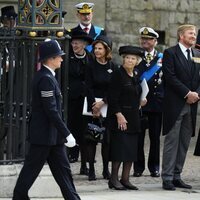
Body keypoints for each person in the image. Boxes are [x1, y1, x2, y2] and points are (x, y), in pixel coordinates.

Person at [12, 39, 81, 200]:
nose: (62, 59)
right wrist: (67, 133)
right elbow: (51, 111)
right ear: (50, 59)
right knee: (30, 172)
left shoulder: (49, 76)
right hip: (43, 136)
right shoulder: (45, 78)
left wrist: (62, 134)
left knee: (64, 173)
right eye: (59, 56)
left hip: (53, 137)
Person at [161, 24, 200, 191]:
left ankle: (177, 175)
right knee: (172, 142)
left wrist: (196, 94)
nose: (194, 36)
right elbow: (169, 77)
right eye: (190, 33)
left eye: (195, 33)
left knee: (184, 142)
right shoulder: (170, 53)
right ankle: (167, 177)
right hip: (175, 104)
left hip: (192, 105)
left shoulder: (197, 54)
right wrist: (187, 93)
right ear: (181, 36)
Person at [107, 45, 146, 190]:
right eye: (127, 58)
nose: (130, 60)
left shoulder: (135, 74)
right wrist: (119, 115)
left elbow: (134, 94)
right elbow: (112, 97)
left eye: (133, 58)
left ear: (137, 61)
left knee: (130, 150)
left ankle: (125, 178)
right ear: (123, 59)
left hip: (134, 118)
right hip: (121, 117)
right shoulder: (118, 74)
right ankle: (113, 179)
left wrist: (142, 101)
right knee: (119, 149)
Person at [85, 35, 117, 181]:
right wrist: (95, 106)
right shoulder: (90, 65)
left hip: (107, 106)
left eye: (100, 48)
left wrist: (103, 102)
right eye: (95, 48)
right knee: (91, 139)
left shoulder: (113, 67)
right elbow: (88, 86)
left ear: (106, 50)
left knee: (107, 141)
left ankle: (105, 170)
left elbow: (114, 89)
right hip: (92, 107)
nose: (97, 51)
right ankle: (91, 169)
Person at [133, 27, 164, 178]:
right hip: (140, 104)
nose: (145, 41)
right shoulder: (136, 57)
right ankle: (138, 167)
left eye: (149, 39)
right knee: (138, 137)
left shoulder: (162, 58)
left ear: (155, 41)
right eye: (143, 39)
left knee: (155, 138)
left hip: (156, 104)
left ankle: (154, 167)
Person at [67, 30, 93, 175]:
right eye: (73, 42)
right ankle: (68, 161)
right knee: (69, 130)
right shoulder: (67, 58)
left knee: (85, 134)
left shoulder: (90, 58)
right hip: (71, 100)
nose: (74, 45)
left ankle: (84, 165)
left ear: (84, 44)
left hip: (85, 101)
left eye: (77, 43)